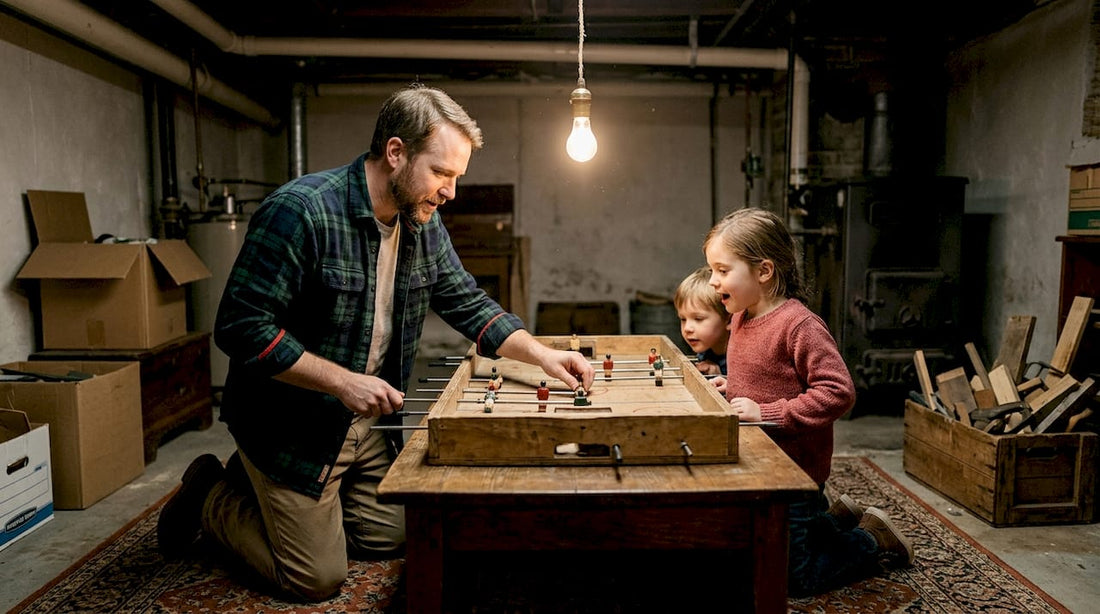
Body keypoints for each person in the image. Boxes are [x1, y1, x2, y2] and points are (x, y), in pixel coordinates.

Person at [156, 85, 595, 602]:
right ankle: (211, 493)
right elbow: (239, 326)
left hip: (364, 426)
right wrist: (342, 382)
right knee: (316, 577)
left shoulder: (422, 222)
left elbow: (469, 302)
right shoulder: (301, 211)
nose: (451, 192)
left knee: (398, 534)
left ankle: (286, 499)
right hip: (292, 430)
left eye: (456, 176)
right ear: (396, 152)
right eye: (442, 172)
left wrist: (544, 355)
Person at [703, 207, 913, 596]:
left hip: (795, 470)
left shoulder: (799, 325)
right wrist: (730, 386)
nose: (713, 281)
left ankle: (873, 538)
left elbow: (838, 391)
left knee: (795, 578)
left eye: (722, 270)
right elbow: (768, 377)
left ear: (764, 271)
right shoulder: (741, 317)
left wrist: (765, 412)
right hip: (765, 466)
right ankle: (834, 520)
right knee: (757, 545)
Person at [674, 265, 731, 377]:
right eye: (683, 319)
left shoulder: (744, 358)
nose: (687, 328)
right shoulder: (706, 347)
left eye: (698, 319)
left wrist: (721, 378)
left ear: (729, 320)